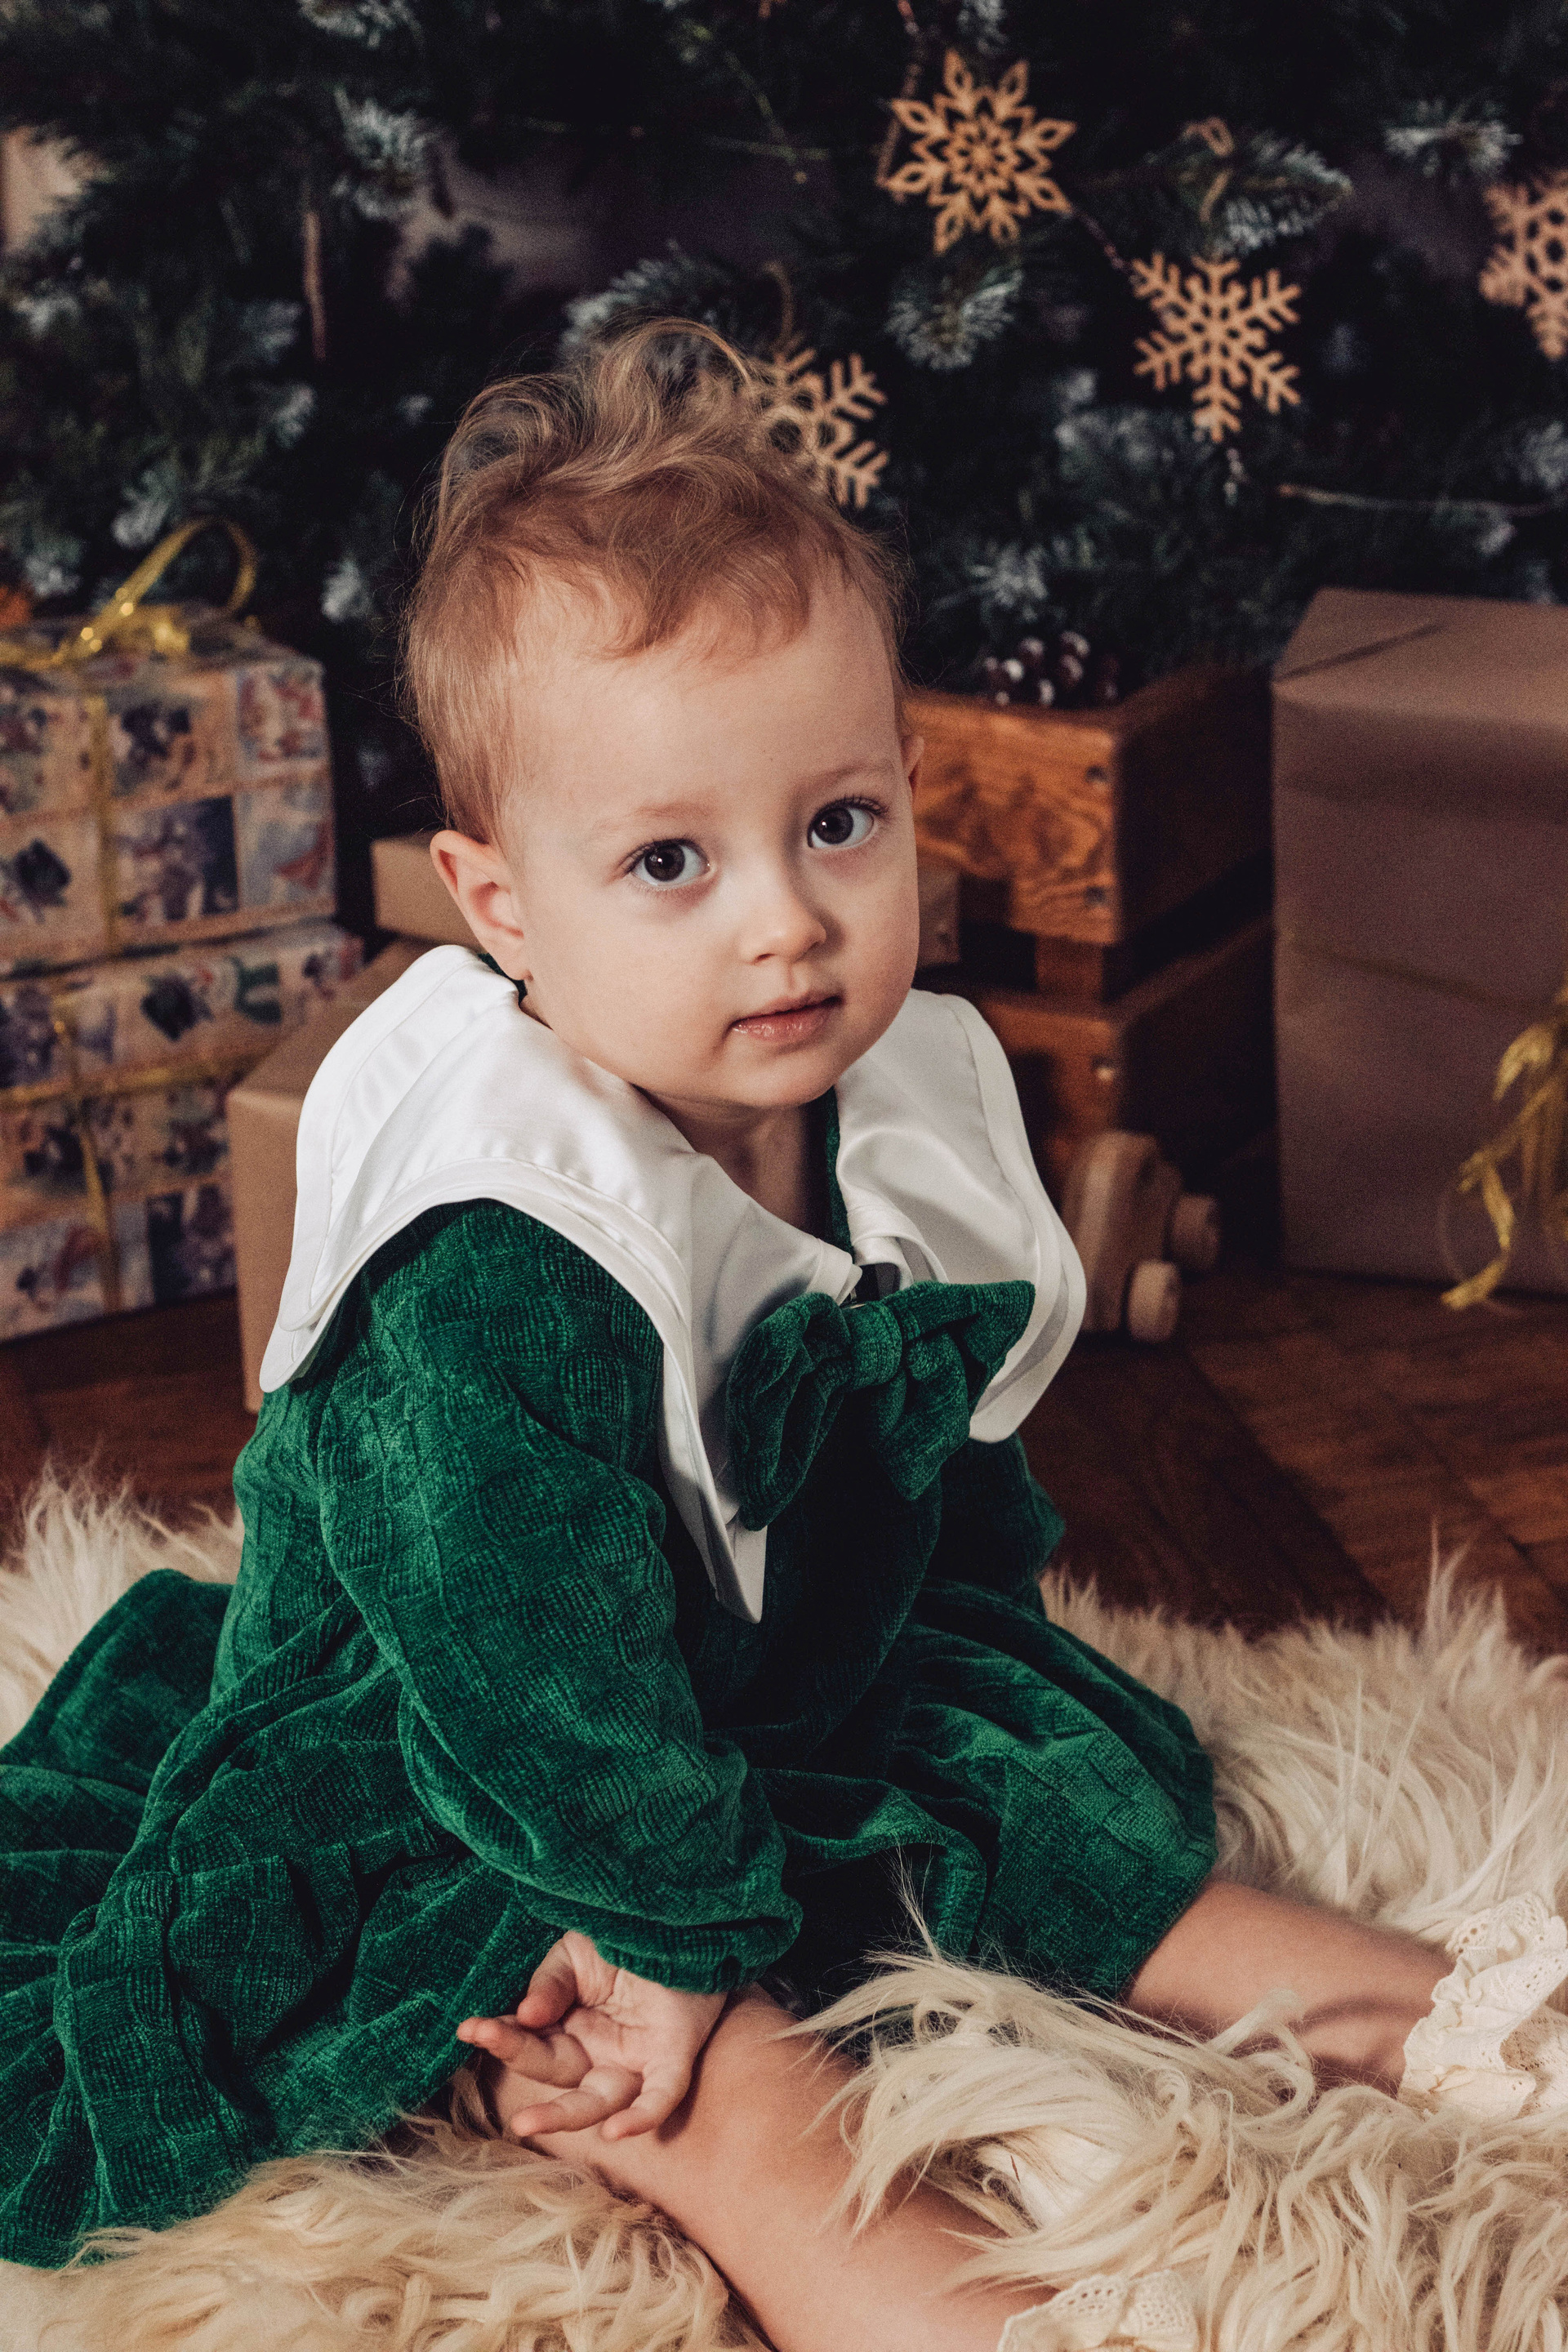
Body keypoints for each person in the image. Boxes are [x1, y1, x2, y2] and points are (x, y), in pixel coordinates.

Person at [2, 324, 1564, 2347]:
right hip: (484, 1755)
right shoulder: (495, 1259)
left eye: (837, 822)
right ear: (502, 904)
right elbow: (527, 1666)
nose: (786, 921)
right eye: (670, 862)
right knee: (703, 2059)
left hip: (772, 1672)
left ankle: (1459, 2019)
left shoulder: (881, 1095)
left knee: (1057, 1831)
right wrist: (671, 1936)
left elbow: (937, 1470)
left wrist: (968, 1665)